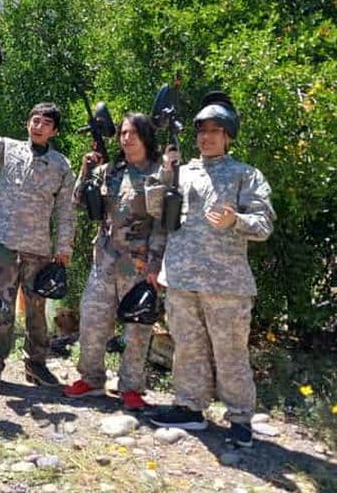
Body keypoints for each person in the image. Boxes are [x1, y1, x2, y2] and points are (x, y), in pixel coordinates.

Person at [146, 93, 275, 448]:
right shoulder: (183, 172)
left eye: (215, 131)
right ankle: (190, 406)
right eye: (201, 130)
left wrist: (237, 219)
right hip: (182, 279)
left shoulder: (245, 175)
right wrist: (165, 173)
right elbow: (157, 211)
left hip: (227, 285)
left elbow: (263, 225)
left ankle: (239, 417)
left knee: (230, 352)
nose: (207, 137)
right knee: (187, 347)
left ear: (228, 135)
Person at [0, 89, 76, 388]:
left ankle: (36, 363)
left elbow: (66, 211)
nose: (39, 126)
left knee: (37, 310)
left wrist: (63, 247)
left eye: (46, 123)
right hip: (4, 245)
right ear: (27, 123)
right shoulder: (7, 149)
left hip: (38, 249)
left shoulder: (62, 166)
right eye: (35, 120)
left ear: (55, 130)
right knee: (0, 307)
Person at [63, 113, 166, 411]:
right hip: (105, 259)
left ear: (145, 136)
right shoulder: (110, 171)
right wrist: (86, 170)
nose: (126, 138)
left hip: (138, 264)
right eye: (122, 133)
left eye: (132, 133)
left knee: (137, 327)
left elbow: (163, 224)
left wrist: (155, 264)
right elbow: (80, 201)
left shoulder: (160, 174)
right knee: (93, 319)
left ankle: (131, 387)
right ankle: (92, 378)